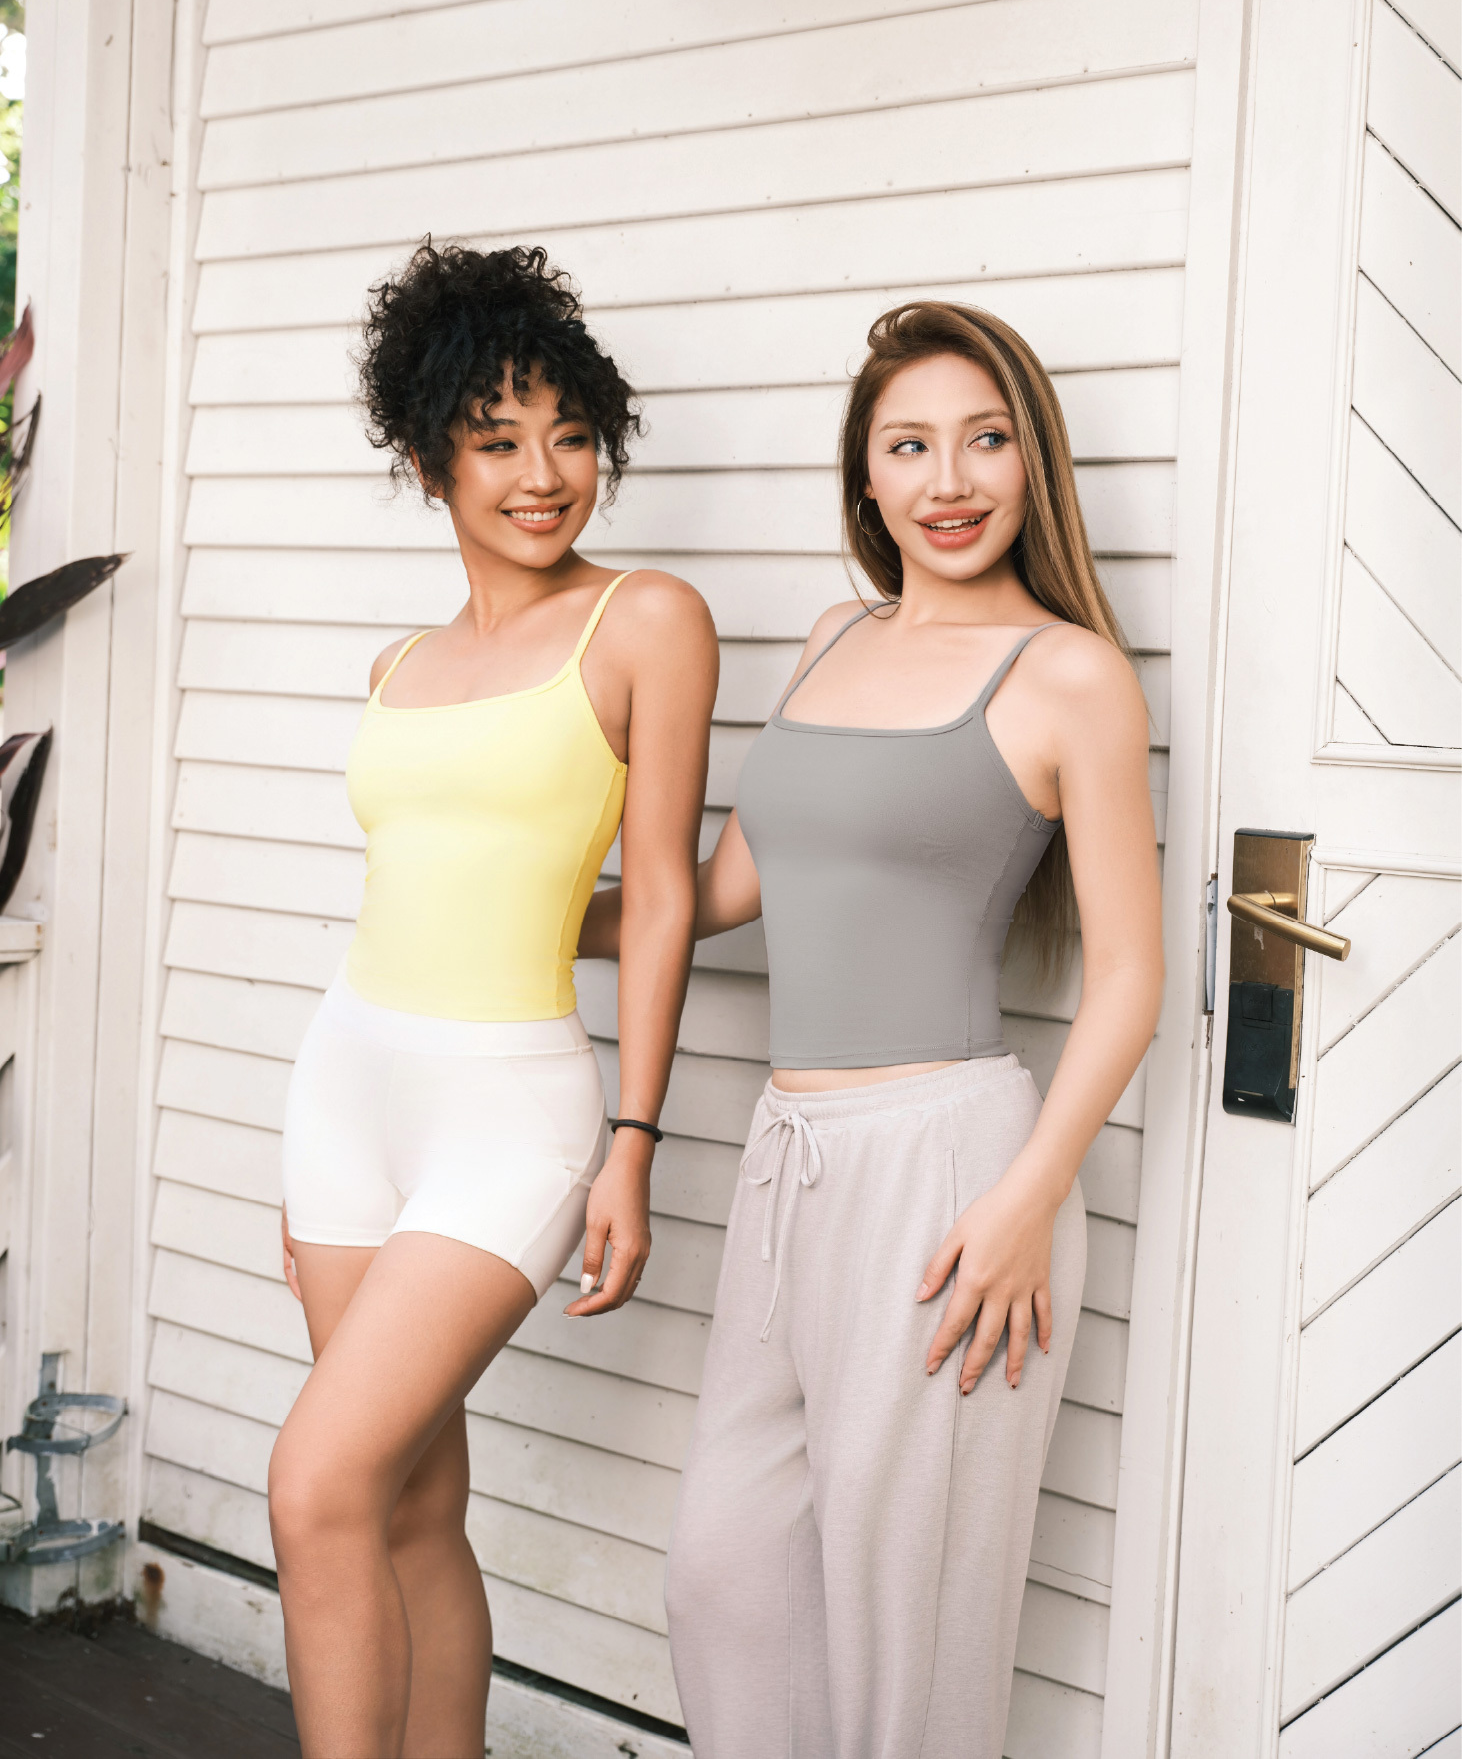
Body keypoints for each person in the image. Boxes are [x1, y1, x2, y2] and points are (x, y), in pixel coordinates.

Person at [583, 298, 1163, 1756]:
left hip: (950, 1172)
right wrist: (541, 912)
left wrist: (1025, 1199)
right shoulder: (835, 636)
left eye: (984, 440)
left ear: (1032, 463)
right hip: (791, 1157)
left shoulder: (1068, 674)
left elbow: (1130, 975)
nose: (947, 480)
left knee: (906, 1632)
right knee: (728, 1574)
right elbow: (732, 885)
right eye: (908, 445)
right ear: (865, 474)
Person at [267, 242, 718, 1759]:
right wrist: (324, 1122)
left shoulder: (644, 620)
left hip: (510, 1106)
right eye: (498, 440)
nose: (543, 476)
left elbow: (660, 895)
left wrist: (634, 1144)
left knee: (315, 1484)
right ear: (428, 461)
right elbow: (414, 884)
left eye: (571, 437)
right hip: (348, 1086)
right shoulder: (397, 661)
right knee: (406, 1503)